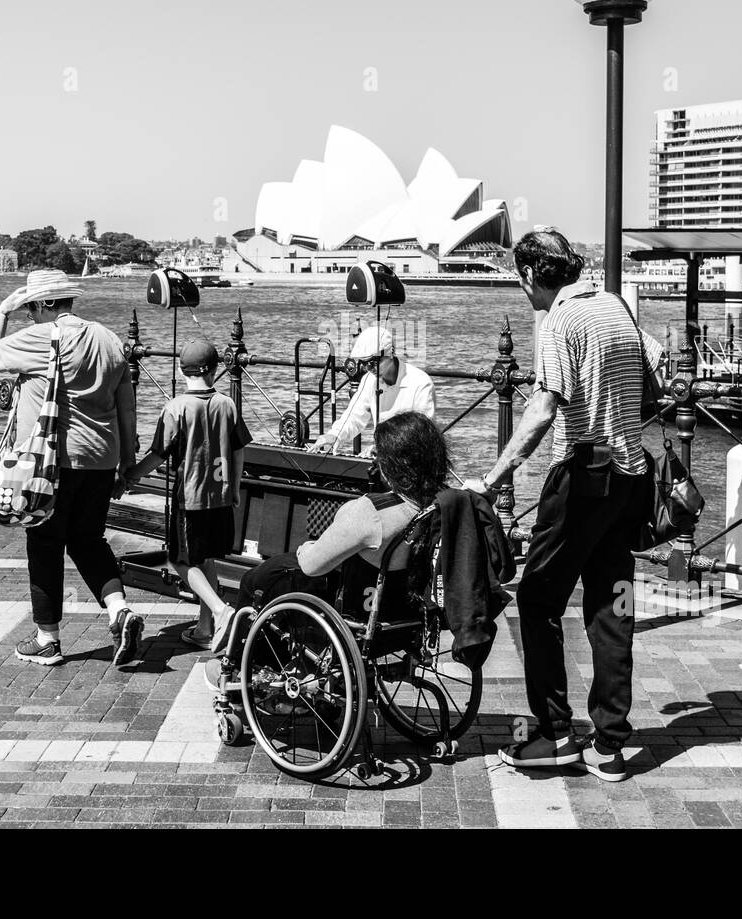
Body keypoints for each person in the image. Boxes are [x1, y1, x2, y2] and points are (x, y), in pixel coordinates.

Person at [464, 227, 664, 780]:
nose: (521, 289)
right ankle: (610, 744)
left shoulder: (559, 321)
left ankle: (554, 734)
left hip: (583, 474)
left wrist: (493, 476)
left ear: (530, 274)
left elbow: (544, 409)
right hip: (630, 475)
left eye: (518, 279)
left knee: (537, 598)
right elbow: (653, 377)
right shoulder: (615, 307)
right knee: (611, 603)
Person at [204, 410, 450, 686]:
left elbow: (312, 565)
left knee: (258, 580)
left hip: (362, 612)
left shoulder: (371, 512)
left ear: (390, 465)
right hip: (409, 611)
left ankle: (242, 669)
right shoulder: (445, 505)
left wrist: (306, 548)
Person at [0, 268, 145, 668]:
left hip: (51, 463)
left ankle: (47, 639)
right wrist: (127, 462)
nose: (29, 316)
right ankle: (119, 610)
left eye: (30, 308)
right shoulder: (109, 338)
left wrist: (2, 308)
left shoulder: (42, 336)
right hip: (101, 460)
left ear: (46, 304)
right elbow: (127, 406)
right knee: (89, 540)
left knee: (45, 544)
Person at [118, 338, 251, 649]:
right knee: (206, 561)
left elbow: (157, 455)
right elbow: (239, 449)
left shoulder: (176, 408)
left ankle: (221, 612)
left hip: (189, 500)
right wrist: (235, 487)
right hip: (220, 497)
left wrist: (128, 477)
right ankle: (204, 630)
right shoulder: (227, 404)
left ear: (181, 370)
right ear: (216, 370)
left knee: (179, 561)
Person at [312, 326, 436, 455]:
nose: (369, 368)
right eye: (364, 364)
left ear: (390, 354)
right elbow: (354, 415)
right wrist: (335, 435)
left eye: (373, 362)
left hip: (413, 459)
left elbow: (422, 434)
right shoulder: (369, 380)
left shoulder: (421, 383)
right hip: (383, 457)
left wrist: (384, 447)